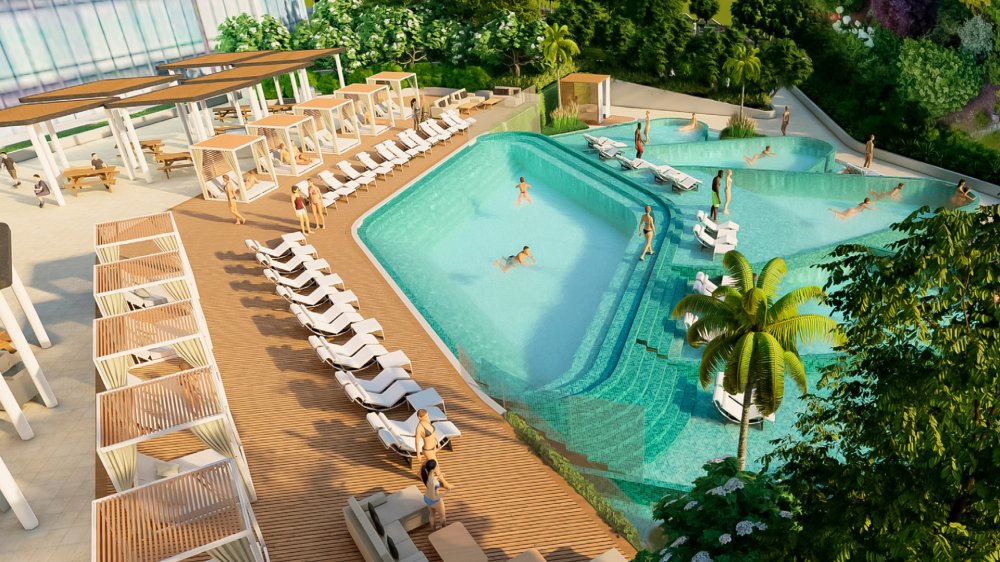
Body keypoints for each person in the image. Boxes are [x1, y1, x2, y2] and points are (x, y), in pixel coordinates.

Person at [420, 459, 453, 531]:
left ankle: (433, 529)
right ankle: (443, 529)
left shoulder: (426, 474)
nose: (437, 467)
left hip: (426, 498)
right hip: (434, 500)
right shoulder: (432, 482)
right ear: (433, 469)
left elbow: (431, 480)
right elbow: (433, 497)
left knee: (432, 514)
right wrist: (446, 492)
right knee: (442, 516)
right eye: (436, 466)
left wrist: (439, 476)